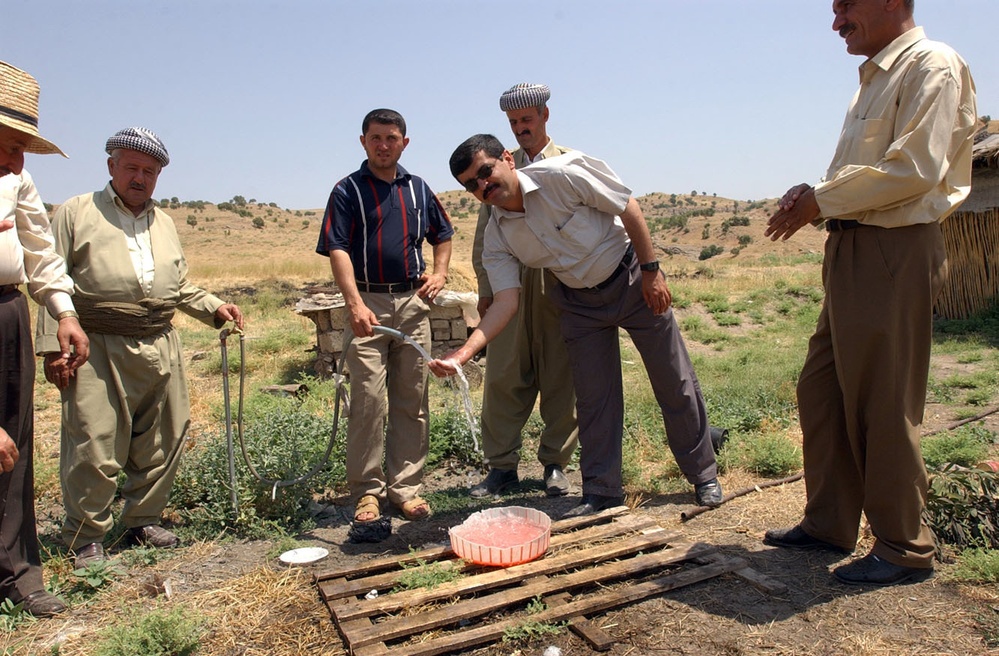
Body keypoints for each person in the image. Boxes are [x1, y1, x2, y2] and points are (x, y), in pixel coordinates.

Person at [762, 0, 977, 586]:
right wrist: (816, 193)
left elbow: (915, 169)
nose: (836, 23)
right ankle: (830, 522)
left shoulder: (931, 64)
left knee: (882, 398)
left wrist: (821, 201)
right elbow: (870, 175)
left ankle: (905, 547)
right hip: (854, 249)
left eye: (845, 7)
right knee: (823, 387)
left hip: (894, 249)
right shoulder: (874, 80)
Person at [433, 134, 722, 517]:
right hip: (578, 303)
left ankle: (703, 475)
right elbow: (506, 302)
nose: (483, 185)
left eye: (486, 172)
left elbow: (628, 207)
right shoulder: (498, 234)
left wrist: (652, 271)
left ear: (507, 159)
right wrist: (464, 354)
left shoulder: (562, 174)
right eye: (472, 185)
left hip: (632, 280)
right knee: (593, 401)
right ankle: (602, 492)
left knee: (675, 382)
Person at [36, 127, 244, 569]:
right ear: (111, 165)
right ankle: (85, 535)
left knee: (165, 435)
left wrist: (214, 307)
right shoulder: (75, 212)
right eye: (131, 167)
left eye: (149, 171)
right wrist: (50, 349)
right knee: (94, 439)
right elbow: (48, 280)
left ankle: (142, 519)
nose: (140, 177)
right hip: (96, 342)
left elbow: (179, 285)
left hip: (159, 340)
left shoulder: (164, 222)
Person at [316, 109, 453, 536]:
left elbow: (442, 233)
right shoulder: (347, 191)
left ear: (404, 143)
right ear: (363, 142)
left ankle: (406, 489)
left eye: (391, 138)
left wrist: (441, 272)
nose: (383, 145)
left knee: (413, 399)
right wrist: (354, 304)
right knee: (368, 401)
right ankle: (367, 492)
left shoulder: (418, 189)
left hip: (413, 302)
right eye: (375, 138)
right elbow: (337, 248)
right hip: (367, 303)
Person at [0, 61, 89, 617]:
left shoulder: (16, 178)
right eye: (7, 145)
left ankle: (17, 573)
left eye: (23, 148)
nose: (16, 160)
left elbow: (37, 249)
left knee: (13, 446)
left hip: (6, 311)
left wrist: (62, 310)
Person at [469, 83, 578, 499]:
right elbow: (484, 238)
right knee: (502, 376)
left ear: (545, 116)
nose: (520, 128)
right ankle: (501, 468)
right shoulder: (497, 168)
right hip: (508, 286)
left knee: (560, 375)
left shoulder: (568, 164)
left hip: (559, 286)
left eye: (527, 120)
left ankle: (555, 465)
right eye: (514, 123)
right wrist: (485, 289)